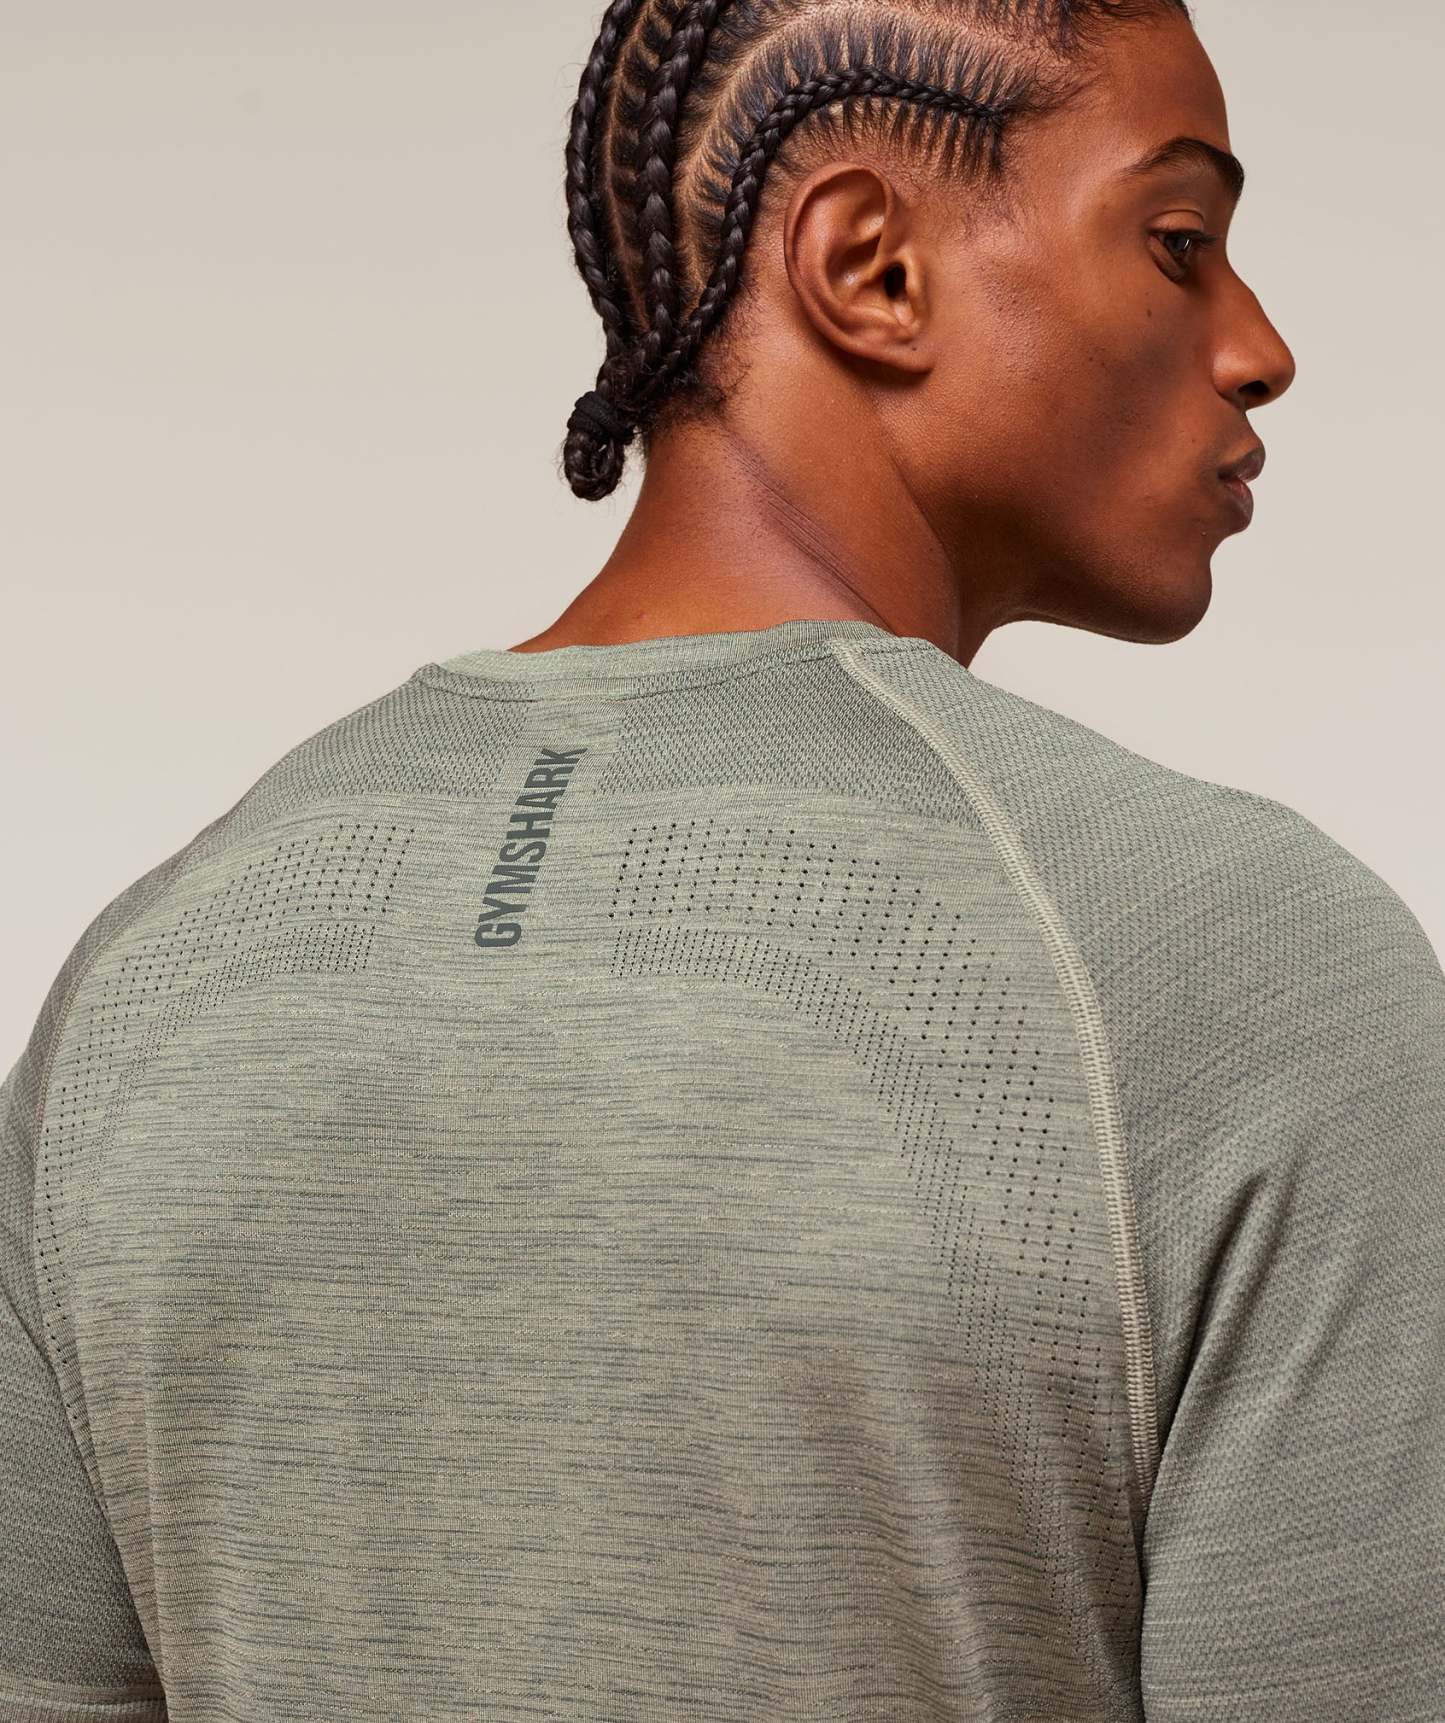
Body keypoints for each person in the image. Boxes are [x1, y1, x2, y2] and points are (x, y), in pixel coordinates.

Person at [2, 4, 1440, 1721]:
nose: (1259, 349)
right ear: (869, 269)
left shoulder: (153, 978)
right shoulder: (1238, 972)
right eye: (1179, 243)